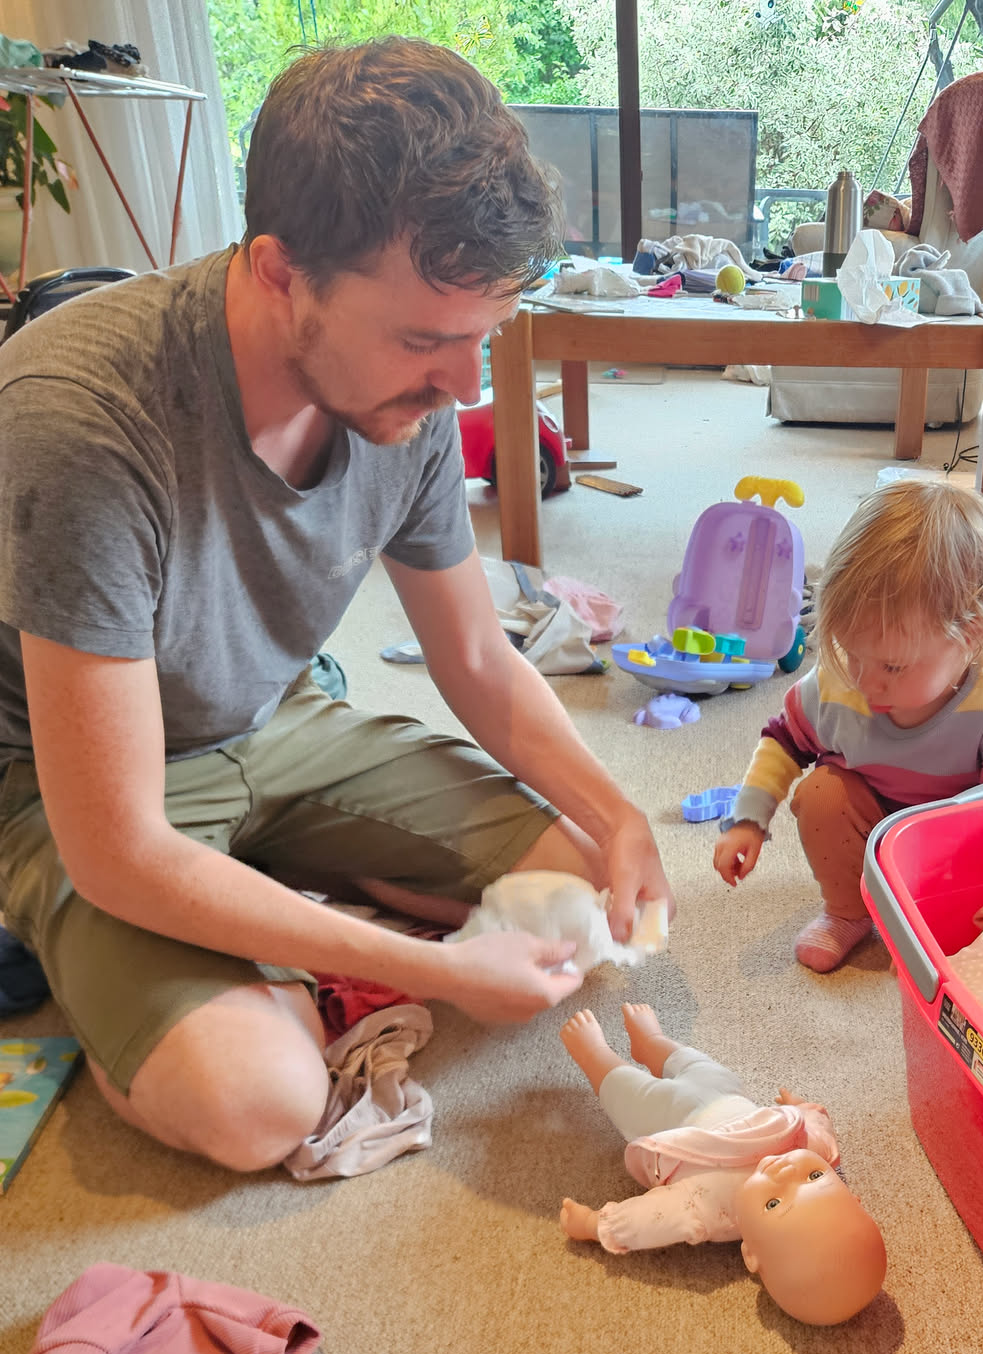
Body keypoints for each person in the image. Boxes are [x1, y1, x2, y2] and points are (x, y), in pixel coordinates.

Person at [0, 38, 671, 1172]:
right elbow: (118, 846)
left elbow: (477, 658)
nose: (464, 386)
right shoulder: (81, 415)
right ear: (278, 273)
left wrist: (619, 815)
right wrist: (433, 968)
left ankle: (275, 893)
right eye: (424, 340)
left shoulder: (409, 401)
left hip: (282, 718)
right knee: (261, 1102)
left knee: (582, 895)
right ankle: (164, 960)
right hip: (79, 785)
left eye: (485, 336)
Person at [713, 477, 983, 973]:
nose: (865, 682)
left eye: (892, 666)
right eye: (852, 653)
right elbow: (782, 740)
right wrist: (748, 819)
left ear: (970, 636)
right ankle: (848, 912)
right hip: (869, 831)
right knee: (822, 793)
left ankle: (943, 920)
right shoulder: (838, 686)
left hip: (956, 841)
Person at [556, 1004, 886, 1325]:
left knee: (627, 1093)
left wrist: (593, 1225)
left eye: (774, 1203)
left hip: (669, 1123)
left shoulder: (709, 1209)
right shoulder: (815, 1149)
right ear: (850, 1196)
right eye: (814, 1176)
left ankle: (594, 1053)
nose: (786, 1171)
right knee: (699, 1065)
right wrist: (801, 1108)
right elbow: (820, 1127)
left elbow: (645, 1220)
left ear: (750, 1254)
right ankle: (652, 1043)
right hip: (723, 1093)